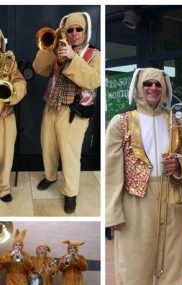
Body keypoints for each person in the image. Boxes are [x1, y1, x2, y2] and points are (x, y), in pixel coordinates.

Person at [105, 68, 182, 285]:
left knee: (172, 261)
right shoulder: (120, 121)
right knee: (134, 265)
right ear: (138, 87)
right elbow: (112, 171)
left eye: (158, 83)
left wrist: (177, 165)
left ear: (165, 87)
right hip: (136, 198)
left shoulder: (177, 121)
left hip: (171, 193)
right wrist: (112, 212)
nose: (153, 88)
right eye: (148, 84)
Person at [32, 11, 100, 214]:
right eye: (70, 29)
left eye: (79, 29)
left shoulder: (95, 55)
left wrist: (73, 58)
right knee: (48, 146)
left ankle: (70, 193)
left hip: (73, 112)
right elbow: (39, 69)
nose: (74, 33)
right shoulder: (56, 49)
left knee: (70, 155)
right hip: (51, 106)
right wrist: (49, 49)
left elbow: (93, 80)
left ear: (85, 31)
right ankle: (50, 176)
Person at [0, 30, 27, 203]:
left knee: (6, 154)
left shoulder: (8, 62)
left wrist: (11, 90)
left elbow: (21, 82)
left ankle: (3, 188)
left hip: (6, 116)